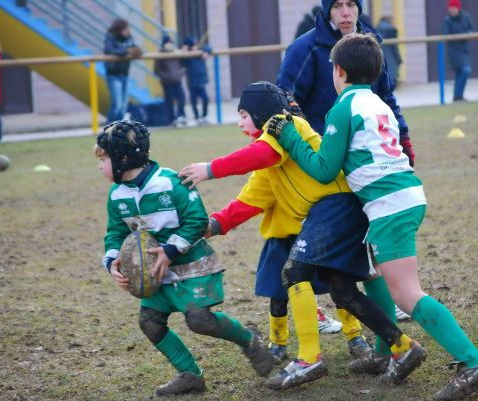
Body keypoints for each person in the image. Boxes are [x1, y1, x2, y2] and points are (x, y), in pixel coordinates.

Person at [268, 33, 478, 400]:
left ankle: (474, 362)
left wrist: (288, 137)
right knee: (373, 271)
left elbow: (325, 168)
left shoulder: (342, 107)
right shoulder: (377, 103)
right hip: (401, 196)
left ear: (339, 70)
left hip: (390, 204)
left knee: (407, 293)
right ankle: (384, 350)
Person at [179, 81, 426, 389]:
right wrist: (213, 225)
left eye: (243, 114)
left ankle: (309, 358)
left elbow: (258, 156)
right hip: (335, 211)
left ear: (261, 113)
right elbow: (249, 200)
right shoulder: (269, 158)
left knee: (295, 272)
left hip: (336, 205)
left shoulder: (285, 127)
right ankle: (402, 346)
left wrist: (210, 169)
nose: (239, 122)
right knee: (342, 291)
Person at [95, 119, 273, 396]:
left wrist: (170, 250)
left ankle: (250, 340)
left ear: (122, 158)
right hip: (157, 274)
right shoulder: (117, 195)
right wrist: (113, 261)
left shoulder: (171, 183)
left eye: (103, 158)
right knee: (150, 323)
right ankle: (190, 375)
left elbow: (197, 220)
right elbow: (115, 233)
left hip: (191, 267)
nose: (99, 166)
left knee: (199, 321)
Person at [277, 0, 415, 167]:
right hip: (323, 155)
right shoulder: (303, 49)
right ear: (328, 10)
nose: (345, 12)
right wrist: (310, 144)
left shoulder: (372, 45)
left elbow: (385, 97)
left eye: (351, 4)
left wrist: (403, 136)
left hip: (369, 154)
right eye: (337, 6)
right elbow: (285, 101)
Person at [103, 19, 141, 123]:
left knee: (124, 105)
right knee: (117, 104)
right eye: (125, 29)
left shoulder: (129, 38)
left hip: (125, 74)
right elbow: (110, 51)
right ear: (119, 29)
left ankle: (119, 128)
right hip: (113, 74)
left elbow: (136, 49)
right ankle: (109, 127)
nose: (128, 31)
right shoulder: (110, 37)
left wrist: (138, 51)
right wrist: (126, 51)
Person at [442, 0, 474, 102]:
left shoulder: (466, 17)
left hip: (464, 50)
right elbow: (445, 34)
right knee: (465, 70)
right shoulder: (447, 20)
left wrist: (467, 34)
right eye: (450, 9)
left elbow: (471, 30)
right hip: (454, 51)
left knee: (462, 72)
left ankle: (458, 96)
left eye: (453, 8)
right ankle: (457, 96)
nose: (451, 10)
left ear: (458, 8)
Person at [153, 34, 187, 128]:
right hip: (167, 82)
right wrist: (167, 76)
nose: (169, 45)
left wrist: (180, 74)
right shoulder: (160, 55)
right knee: (169, 101)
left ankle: (181, 116)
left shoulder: (176, 53)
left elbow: (182, 65)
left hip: (177, 80)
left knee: (181, 98)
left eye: (170, 43)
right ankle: (171, 119)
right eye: (167, 43)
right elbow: (157, 70)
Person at [181, 37, 210, 126]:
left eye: (196, 45)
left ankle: (204, 116)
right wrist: (184, 52)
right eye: (193, 45)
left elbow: (209, 47)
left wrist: (206, 51)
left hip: (201, 80)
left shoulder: (201, 52)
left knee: (205, 98)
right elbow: (182, 63)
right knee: (194, 101)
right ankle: (197, 118)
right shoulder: (188, 56)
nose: (195, 47)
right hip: (192, 81)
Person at [376, 16, 402, 86]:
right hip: (391, 59)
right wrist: (399, 59)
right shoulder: (391, 30)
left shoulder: (375, 30)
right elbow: (395, 48)